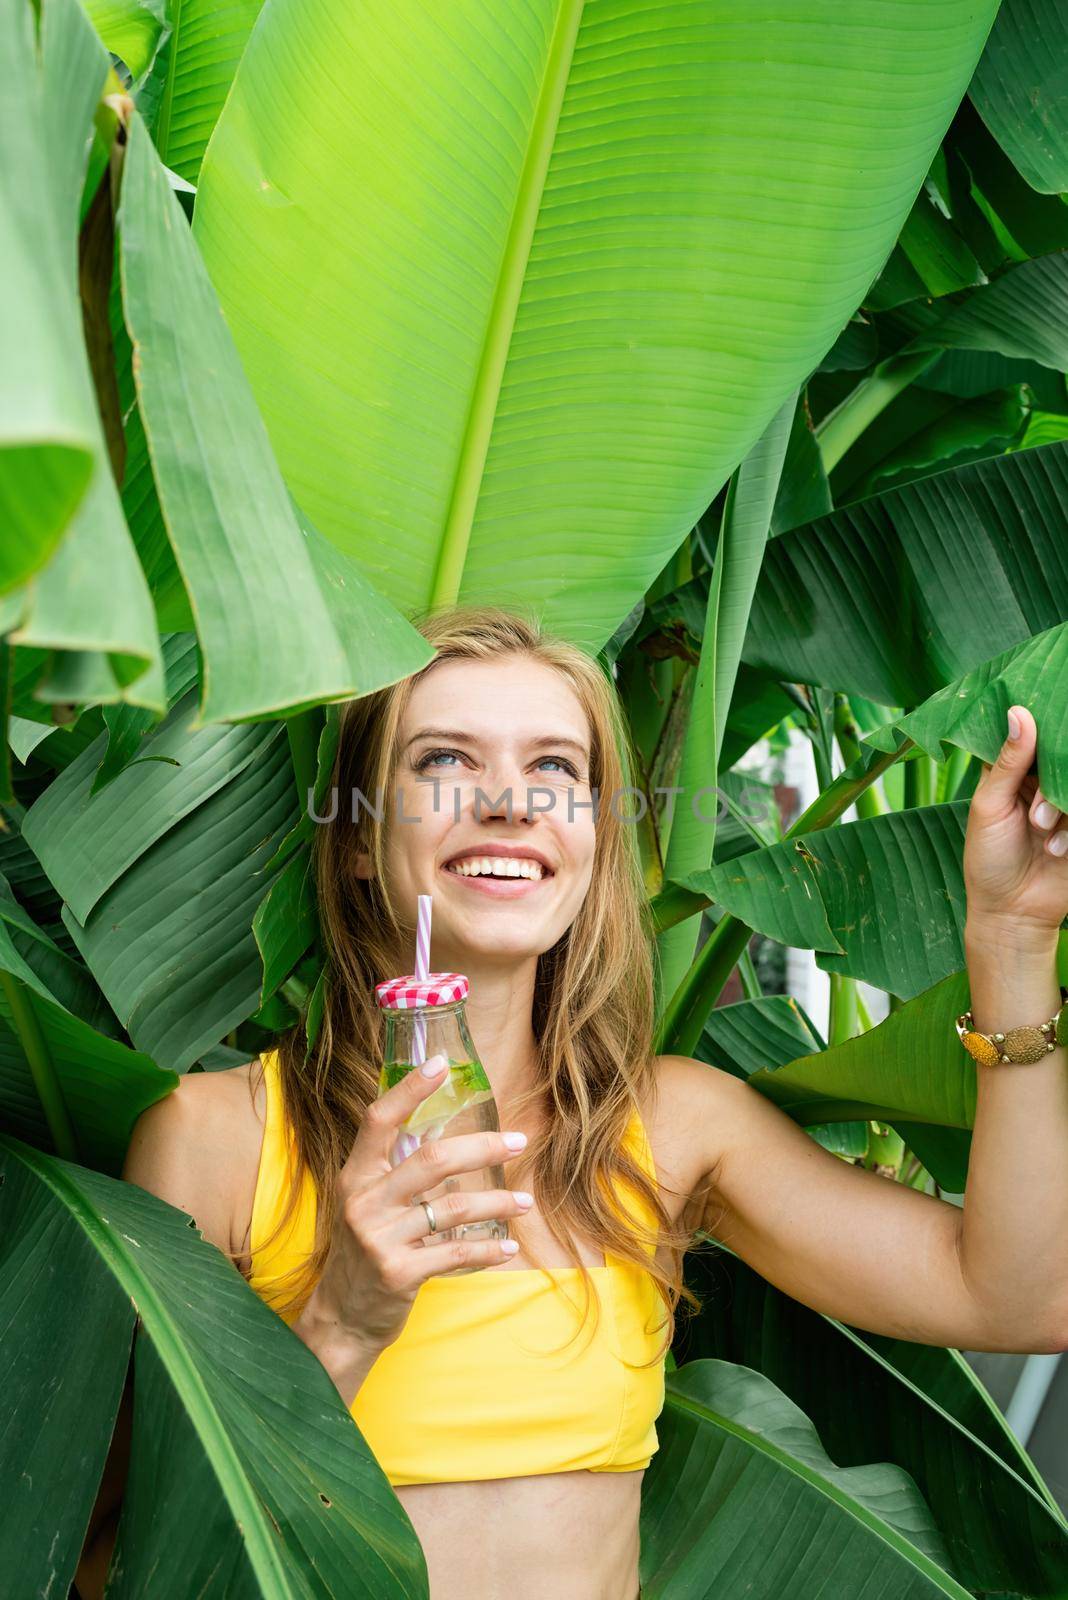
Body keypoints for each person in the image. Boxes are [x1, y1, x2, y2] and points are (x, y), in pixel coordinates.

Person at [78, 604, 1068, 1600]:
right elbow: (102, 1563)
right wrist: (341, 1320)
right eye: (443, 761)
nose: (513, 801)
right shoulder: (214, 1140)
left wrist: (1013, 947)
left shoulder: (672, 1129)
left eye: (556, 767)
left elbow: (1020, 1296)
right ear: (357, 843)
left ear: (593, 838)